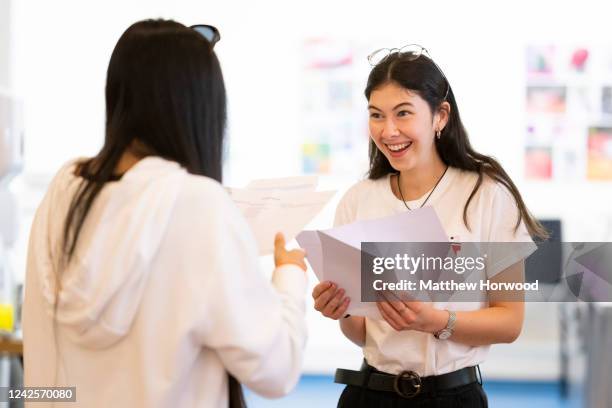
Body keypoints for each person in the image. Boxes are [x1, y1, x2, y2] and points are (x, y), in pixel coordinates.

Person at [22, 19, 308, 408]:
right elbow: (276, 369)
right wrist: (288, 275)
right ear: (202, 107)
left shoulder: (64, 189)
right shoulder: (198, 205)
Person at [312, 45, 548, 407]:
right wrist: (342, 308)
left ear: (440, 116)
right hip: (370, 394)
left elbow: (509, 322)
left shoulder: (486, 195)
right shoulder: (358, 200)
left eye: (403, 113)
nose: (388, 130)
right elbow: (361, 334)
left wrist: (435, 320)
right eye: (376, 115)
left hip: (454, 397)